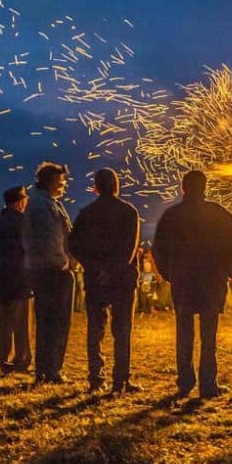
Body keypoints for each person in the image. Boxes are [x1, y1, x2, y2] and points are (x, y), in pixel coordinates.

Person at [153, 170, 232, 399]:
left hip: (183, 281)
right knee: (209, 335)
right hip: (211, 280)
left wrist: (169, 273)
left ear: (183, 188)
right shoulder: (219, 214)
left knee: (184, 333)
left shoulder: (172, 215)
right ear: (204, 187)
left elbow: (159, 248)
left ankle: (185, 381)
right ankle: (208, 384)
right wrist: (227, 271)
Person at [68, 168, 142, 394]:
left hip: (95, 279)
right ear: (117, 186)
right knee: (122, 330)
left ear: (96, 187)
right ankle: (121, 380)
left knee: (95, 330)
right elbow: (129, 249)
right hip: (122, 280)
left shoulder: (86, 213)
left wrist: (94, 267)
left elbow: (74, 245)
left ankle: (96, 378)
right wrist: (112, 270)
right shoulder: (128, 212)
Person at [21, 162, 76, 385]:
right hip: (52, 272)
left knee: (47, 322)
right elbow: (52, 240)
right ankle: (51, 369)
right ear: (51, 181)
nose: (64, 185)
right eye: (61, 180)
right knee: (56, 322)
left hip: (44, 270)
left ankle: (46, 369)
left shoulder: (45, 203)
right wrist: (65, 263)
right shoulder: (44, 207)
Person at [0, 186, 33, 375]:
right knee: (21, 325)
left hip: (0, 282)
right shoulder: (24, 223)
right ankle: (21, 361)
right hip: (20, 281)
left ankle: (3, 360)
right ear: (20, 202)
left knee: (4, 325)